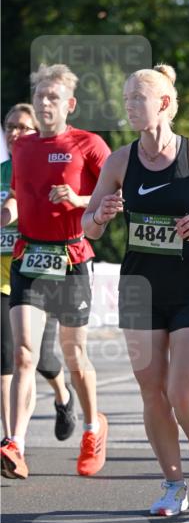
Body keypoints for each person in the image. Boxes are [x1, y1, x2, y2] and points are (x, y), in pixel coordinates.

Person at [83, 64, 189, 516]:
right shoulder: (119, 161)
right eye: (126, 98)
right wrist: (103, 214)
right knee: (152, 392)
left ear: (164, 103)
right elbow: (87, 228)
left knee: (182, 392)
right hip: (140, 288)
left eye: (136, 98)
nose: (128, 106)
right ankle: (172, 483)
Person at [0, 65, 110, 481]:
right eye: (40, 96)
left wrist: (79, 198)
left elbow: (115, 192)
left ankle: (91, 425)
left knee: (73, 354)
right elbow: (16, 196)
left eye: (53, 97)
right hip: (29, 257)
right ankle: (16, 444)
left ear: (69, 104)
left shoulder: (88, 143)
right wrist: (6, 214)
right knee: (24, 353)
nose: (45, 103)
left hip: (72, 258)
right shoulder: (23, 148)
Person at [1, 104, 77, 443]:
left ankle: (63, 397)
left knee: (42, 358)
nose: (14, 132)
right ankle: (11, 442)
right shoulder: (3, 170)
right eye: (9, 126)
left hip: (40, 274)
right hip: (4, 279)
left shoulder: (47, 171)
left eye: (22, 127)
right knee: (11, 359)